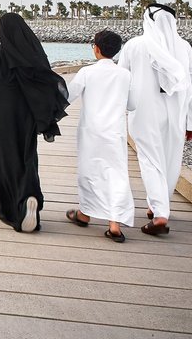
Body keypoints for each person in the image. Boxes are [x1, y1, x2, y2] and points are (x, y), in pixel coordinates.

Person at [0, 13, 69, 232]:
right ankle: (29, 197)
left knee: (3, 162)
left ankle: (10, 211)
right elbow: (45, 83)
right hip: (26, 116)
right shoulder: (32, 55)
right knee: (26, 157)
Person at [118, 3, 192, 236]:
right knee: (170, 159)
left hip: (144, 112)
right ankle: (157, 205)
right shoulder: (184, 47)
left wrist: (117, 109)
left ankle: (160, 214)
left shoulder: (135, 45)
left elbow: (121, 78)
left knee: (150, 160)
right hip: (177, 112)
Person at [65, 29, 133, 242]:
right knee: (116, 174)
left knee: (89, 172)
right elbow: (133, 104)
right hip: (115, 132)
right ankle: (114, 223)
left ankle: (85, 214)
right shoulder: (125, 74)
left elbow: (67, 96)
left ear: (96, 48)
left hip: (91, 132)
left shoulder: (87, 72)